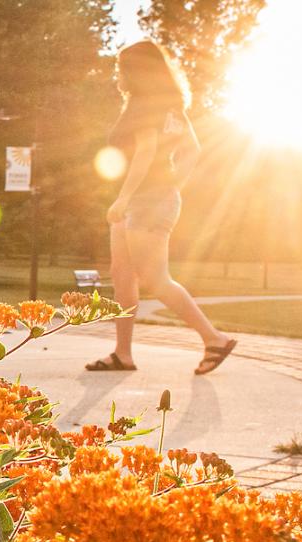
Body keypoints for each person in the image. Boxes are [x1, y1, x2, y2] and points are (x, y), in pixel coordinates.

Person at [86, 41, 238, 375]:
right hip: (149, 199)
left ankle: (214, 338)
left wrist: (130, 196)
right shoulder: (169, 107)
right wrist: (172, 186)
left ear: (136, 72)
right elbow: (193, 149)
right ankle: (122, 354)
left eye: (120, 69)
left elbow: (145, 152)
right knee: (122, 276)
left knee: (155, 279)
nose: (117, 76)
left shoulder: (144, 105)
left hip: (144, 201)